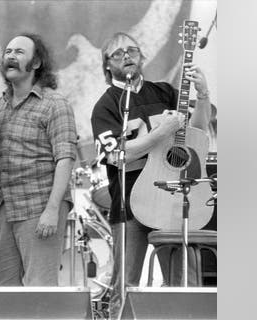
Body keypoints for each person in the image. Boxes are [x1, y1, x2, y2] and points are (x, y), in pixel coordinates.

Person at [90, 32, 212, 317]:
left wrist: (203, 94)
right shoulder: (106, 105)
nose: (127, 56)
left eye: (132, 50)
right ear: (107, 65)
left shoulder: (165, 92)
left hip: (173, 200)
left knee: (182, 286)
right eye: (117, 53)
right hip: (130, 203)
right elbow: (117, 154)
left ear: (142, 56)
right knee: (125, 287)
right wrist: (161, 133)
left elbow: (198, 134)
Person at [0, 33, 77, 286]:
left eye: (19, 52)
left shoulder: (54, 104)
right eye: (7, 52)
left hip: (38, 205)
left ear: (36, 63)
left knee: (40, 288)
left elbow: (65, 158)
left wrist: (51, 211)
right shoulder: (1, 105)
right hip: (5, 207)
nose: (10, 57)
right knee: (1, 289)